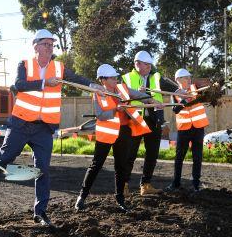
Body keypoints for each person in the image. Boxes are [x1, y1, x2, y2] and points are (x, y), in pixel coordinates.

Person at [0, 29, 103, 227]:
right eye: (46, 44)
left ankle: (40, 212)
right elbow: (19, 85)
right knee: (4, 158)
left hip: (44, 128)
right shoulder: (24, 64)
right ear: (36, 46)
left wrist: (93, 84)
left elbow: (76, 78)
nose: (50, 48)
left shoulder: (59, 68)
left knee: (42, 170)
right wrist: (43, 82)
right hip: (21, 124)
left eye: (52, 44)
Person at [75, 64, 151, 212]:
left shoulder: (122, 88)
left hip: (124, 132)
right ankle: (82, 197)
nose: (116, 79)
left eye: (116, 77)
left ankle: (120, 198)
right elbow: (100, 115)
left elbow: (139, 95)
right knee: (96, 166)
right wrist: (115, 110)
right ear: (103, 80)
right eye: (112, 78)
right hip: (107, 133)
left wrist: (149, 99)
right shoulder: (98, 93)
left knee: (121, 166)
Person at [122, 50, 177, 196]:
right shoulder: (126, 78)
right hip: (134, 120)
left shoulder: (156, 77)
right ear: (137, 64)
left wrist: (181, 90)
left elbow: (171, 86)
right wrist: (145, 96)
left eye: (150, 65)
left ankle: (145, 185)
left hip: (153, 120)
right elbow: (123, 93)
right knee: (130, 154)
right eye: (146, 65)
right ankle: (123, 184)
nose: (149, 68)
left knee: (152, 153)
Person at [164, 68, 209, 193]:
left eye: (189, 77)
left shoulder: (196, 89)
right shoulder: (175, 94)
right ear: (178, 80)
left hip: (198, 127)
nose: (189, 80)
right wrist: (184, 100)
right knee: (179, 157)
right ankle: (176, 183)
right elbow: (175, 110)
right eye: (186, 78)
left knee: (197, 156)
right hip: (184, 129)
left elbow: (206, 95)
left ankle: (196, 183)